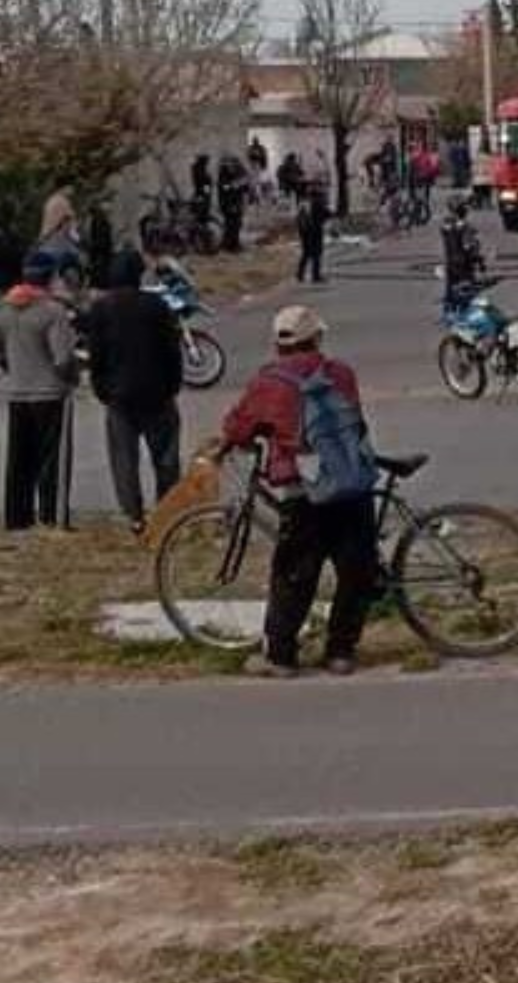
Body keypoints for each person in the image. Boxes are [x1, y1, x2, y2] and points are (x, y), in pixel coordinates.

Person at [217, 305, 380, 678]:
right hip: (350, 484)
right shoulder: (340, 374)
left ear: (277, 344)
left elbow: (239, 428)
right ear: (317, 337)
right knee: (356, 570)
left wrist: (239, 438)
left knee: (294, 572)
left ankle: (281, 656)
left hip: (303, 488)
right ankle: (341, 651)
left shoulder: (269, 382)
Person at [81, 250, 183, 535]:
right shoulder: (157, 306)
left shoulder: (101, 309)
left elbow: (96, 355)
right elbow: (171, 352)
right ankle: (167, 510)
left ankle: (134, 515)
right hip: (158, 393)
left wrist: (102, 389)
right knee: (166, 457)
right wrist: (173, 386)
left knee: (124, 459)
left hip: (119, 395)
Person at [0, 252, 79, 531]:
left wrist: (11, 367)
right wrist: (72, 377)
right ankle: (52, 516)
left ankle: (17, 517)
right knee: (53, 461)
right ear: (50, 277)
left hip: (18, 392)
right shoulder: (52, 311)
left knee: (19, 460)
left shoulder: (4, 308)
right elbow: (62, 358)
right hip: (49, 393)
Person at [440, 196, 488, 309]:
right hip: (464, 265)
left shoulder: (445, 224)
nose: (466, 210)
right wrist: (479, 260)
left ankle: (450, 311)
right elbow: (469, 247)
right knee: (467, 293)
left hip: (450, 263)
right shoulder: (466, 227)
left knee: (450, 293)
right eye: (464, 208)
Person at [295, 179, 331, 285]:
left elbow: (298, 218)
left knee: (306, 252)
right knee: (317, 253)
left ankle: (300, 274)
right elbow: (326, 214)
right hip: (314, 230)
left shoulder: (304, 201)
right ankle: (316, 275)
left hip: (304, 230)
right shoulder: (318, 201)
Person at [217, 153, 249, 253]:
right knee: (230, 224)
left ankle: (234, 243)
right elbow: (225, 188)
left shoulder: (239, 172)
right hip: (228, 203)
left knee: (237, 224)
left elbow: (245, 188)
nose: (232, 165)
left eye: (233, 163)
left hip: (237, 202)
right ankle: (229, 246)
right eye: (231, 163)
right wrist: (236, 184)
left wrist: (242, 185)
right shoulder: (223, 174)